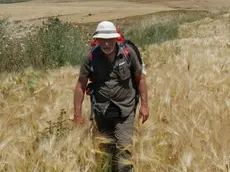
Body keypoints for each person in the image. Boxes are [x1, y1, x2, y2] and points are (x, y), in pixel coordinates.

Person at [73, 20, 149, 172]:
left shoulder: (128, 54)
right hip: (102, 111)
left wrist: (145, 105)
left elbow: (140, 79)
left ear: (116, 38)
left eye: (109, 39)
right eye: (103, 40)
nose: (106, 44)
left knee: (123, 149)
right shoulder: (90, 57)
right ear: (97, 40)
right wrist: (77, 113)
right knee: (107, 149)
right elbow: (80, 85)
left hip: (125, 111)